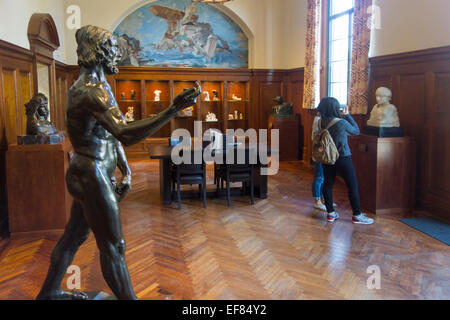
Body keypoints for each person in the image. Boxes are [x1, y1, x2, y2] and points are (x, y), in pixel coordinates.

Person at [36, 25, 200, 300]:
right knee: (114, 246)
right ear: (99, 52)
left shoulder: (99, 87)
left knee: (73, 237)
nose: (118, 56)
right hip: (91, 174)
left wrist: (125, 169)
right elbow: (124, 132)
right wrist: (173, 109)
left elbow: (111, 135)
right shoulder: (91, 91)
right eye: (113, 50)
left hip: (91, 172)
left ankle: (49, 292)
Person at [317, 97, 374, 225]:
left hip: (327, 157)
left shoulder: (321, 122)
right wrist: (347, 115)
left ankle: (330, 214)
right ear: (335, 108)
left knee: (328, 184)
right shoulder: (341, 123)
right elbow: (356, 131)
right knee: (352, 186)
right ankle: (357, 215)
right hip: (343, 157)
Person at [311, 113, 326, 211]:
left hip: (327, 152)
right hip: (320, 152)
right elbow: (315, 137)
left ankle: (323, 199)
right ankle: (317, 201)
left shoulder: (324, 118)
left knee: (324, 177)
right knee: (319, 177)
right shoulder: (318, 119)